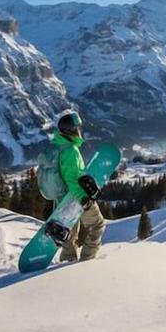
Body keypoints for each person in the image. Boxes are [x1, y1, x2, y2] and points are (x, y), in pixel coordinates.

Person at [53, 111, 105, 262]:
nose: (79, 131)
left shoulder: (59, 146)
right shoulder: (70, 151)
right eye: (77, 128)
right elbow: (71, 178)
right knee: (97, 225)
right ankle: (86, 262)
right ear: (71, 130)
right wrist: (83, 199)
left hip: (63, 199)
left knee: (69, 237)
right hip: (76, 197)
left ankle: (67, 263)